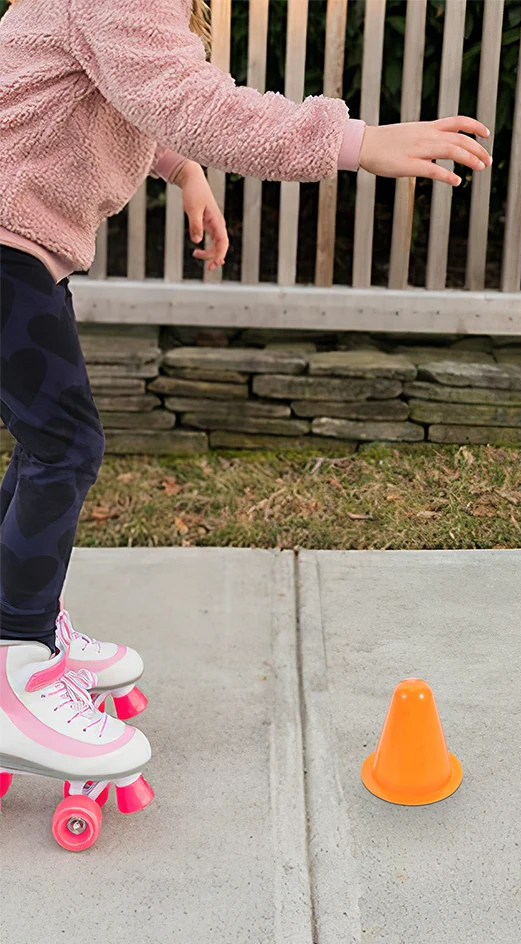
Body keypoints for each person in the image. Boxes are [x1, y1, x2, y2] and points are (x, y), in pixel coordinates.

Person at [0, 0, 490, 846]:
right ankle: (12, 659)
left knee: (48, 442)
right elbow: (193, 101)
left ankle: (20, 619)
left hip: (21, 243)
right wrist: (355, 142)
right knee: (65, 445)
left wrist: (183, 172)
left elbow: (128, 95)